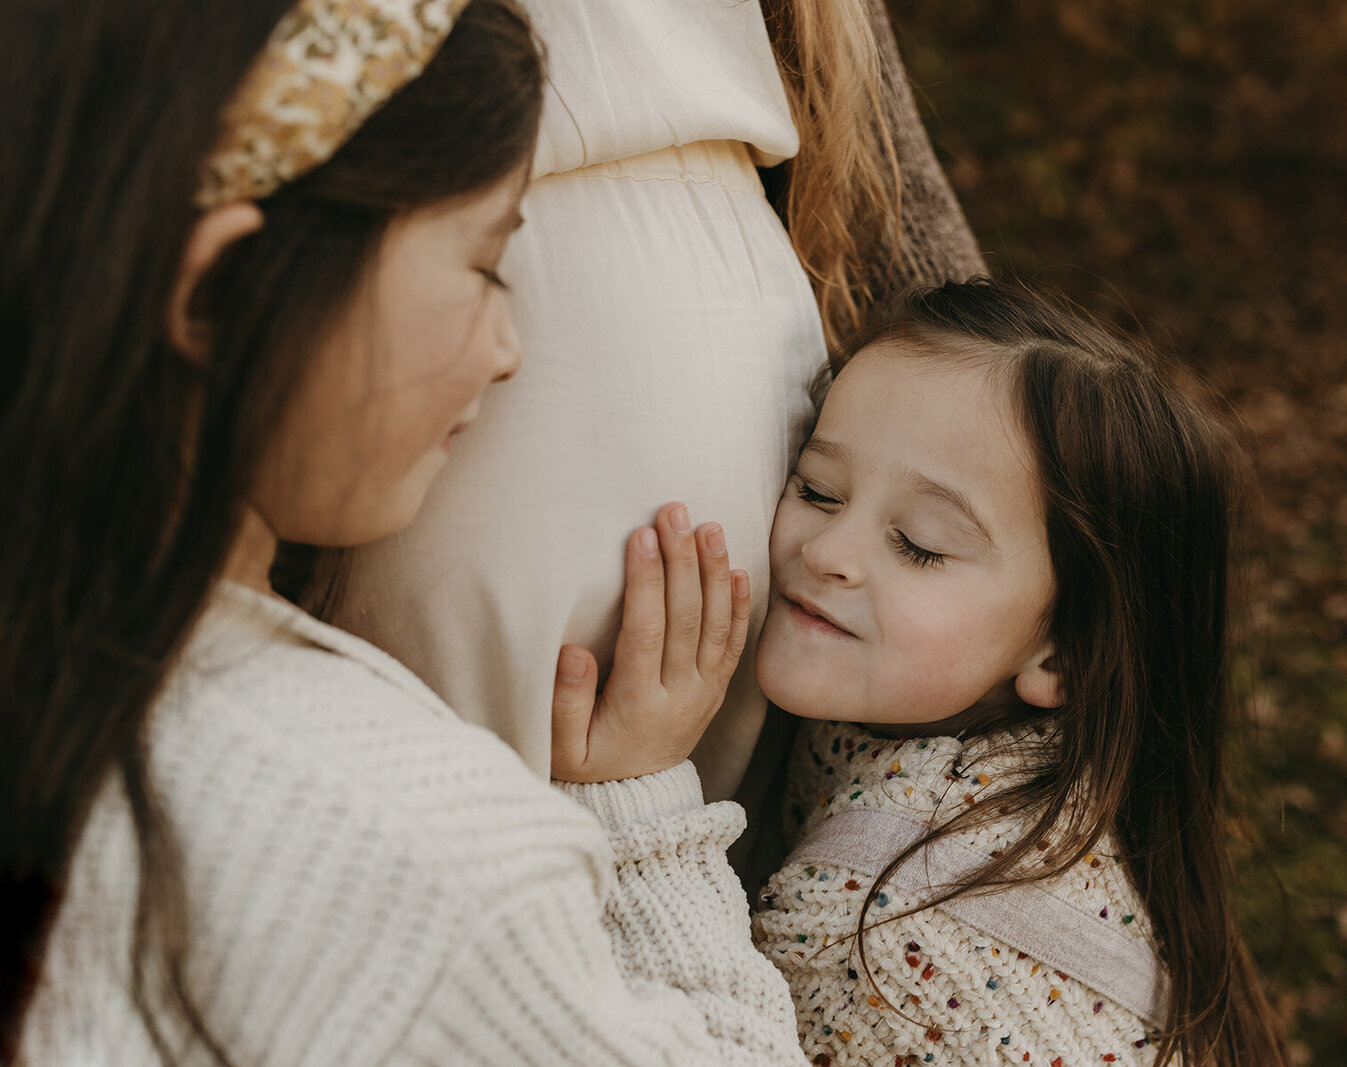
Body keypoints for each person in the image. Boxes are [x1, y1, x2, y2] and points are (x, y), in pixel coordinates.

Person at [2, 1, 808, 1062]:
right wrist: (644, 830)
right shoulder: (418, 854)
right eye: (485, 265)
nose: (511, 347)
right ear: (220, 290)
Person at [330, 0, 987, 807]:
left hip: (736, 217)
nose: (832, 553)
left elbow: (885, 149)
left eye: (919, 544)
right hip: (446, 246)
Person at [747, 282, 1291, 1066]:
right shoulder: (1068, 770)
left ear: (1063, 652)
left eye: (922, 545)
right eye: (818, 490)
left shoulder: (876, 943)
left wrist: (641, 803)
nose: (828, 552)